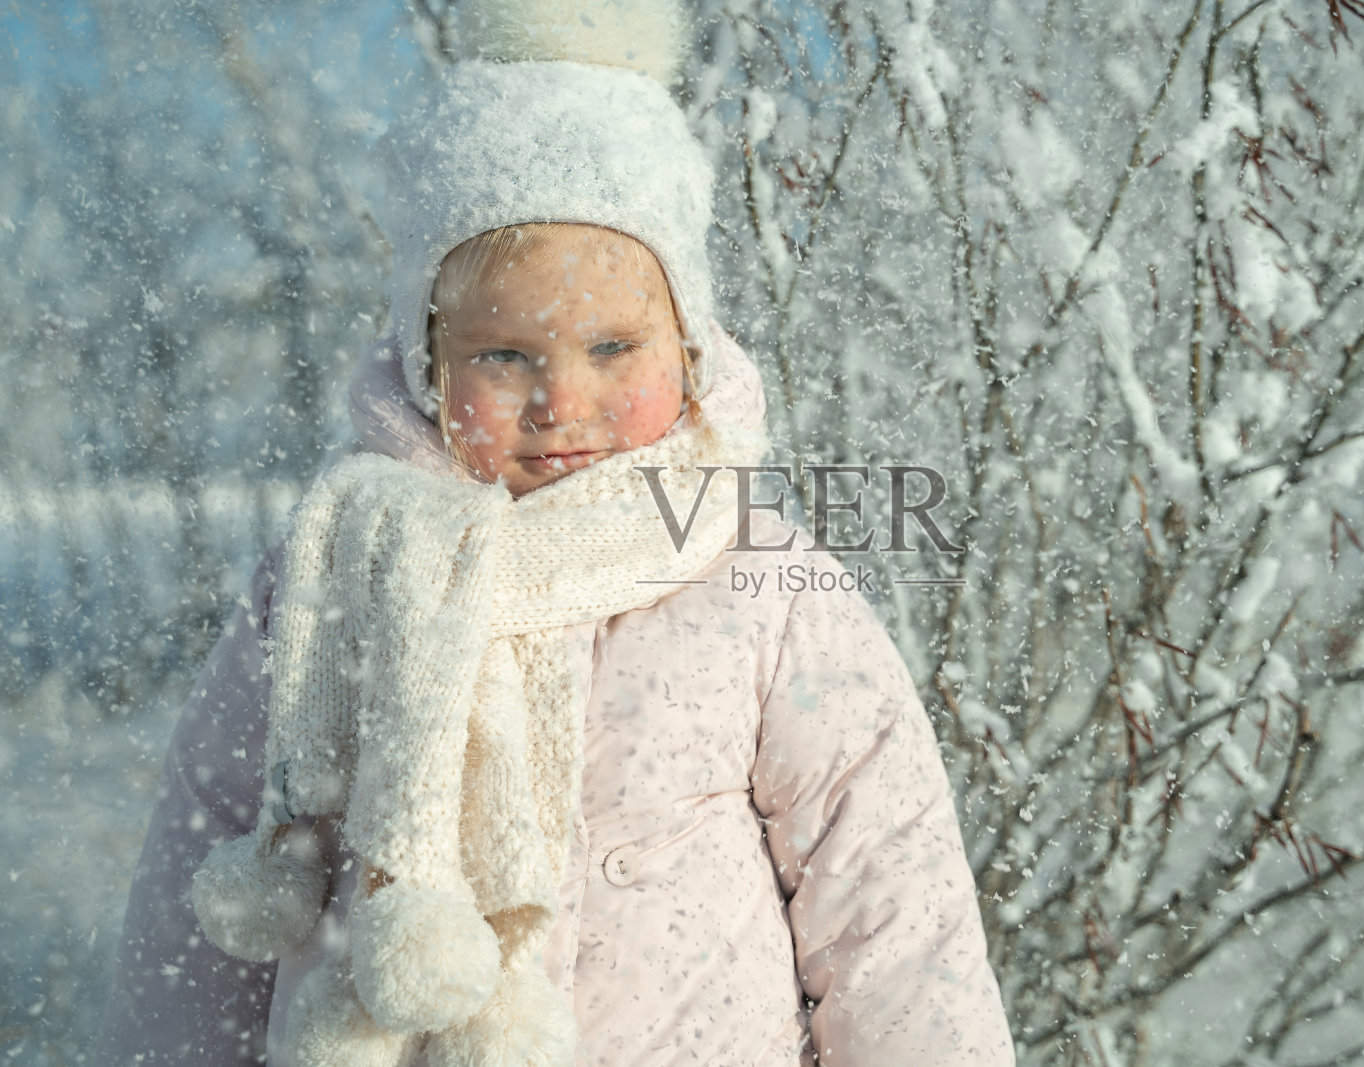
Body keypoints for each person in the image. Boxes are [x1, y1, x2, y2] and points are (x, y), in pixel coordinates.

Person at [95, 1, 1015, 1064]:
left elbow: (889, 896)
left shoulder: (760, 583)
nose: (561, 400)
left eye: (613, 347)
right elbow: (203, 867)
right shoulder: (338, 574)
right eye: (503, 356)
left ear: (690, 349)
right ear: (427, 364)